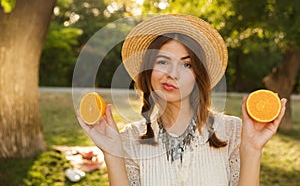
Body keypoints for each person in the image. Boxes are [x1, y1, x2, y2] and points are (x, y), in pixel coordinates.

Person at [77, 14, 287, 186]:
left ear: (199, 76)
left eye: (187, 65)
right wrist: (112, 152)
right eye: (162, 61)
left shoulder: (232, 132)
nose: (173, 74)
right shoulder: (130, 139)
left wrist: (251, 149)